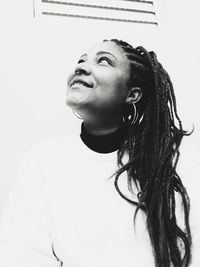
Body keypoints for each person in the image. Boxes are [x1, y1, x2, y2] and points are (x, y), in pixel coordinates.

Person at [0, 39, 193, 267]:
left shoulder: (172, 159)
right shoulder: (41, 163)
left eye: (104, 61)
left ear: (133, 95)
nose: (80, 67)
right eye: (81, 60)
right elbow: (23, 256)